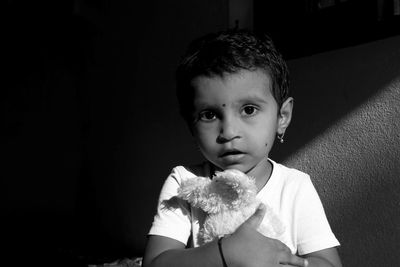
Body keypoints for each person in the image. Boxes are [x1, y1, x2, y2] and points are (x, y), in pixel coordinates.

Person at [142, 29, 342, 267]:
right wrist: (225, 252)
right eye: (209, 115)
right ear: (191, 125)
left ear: (282, 117)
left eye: (248, 109)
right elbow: (154, 263)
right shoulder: (184, 183)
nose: (228, 132)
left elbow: (328, 263)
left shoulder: (295, 187)